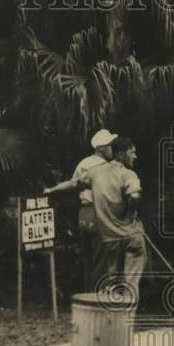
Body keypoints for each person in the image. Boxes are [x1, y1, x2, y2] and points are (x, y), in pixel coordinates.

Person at [44, 129, 116, 291]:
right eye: (110, 146)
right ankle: (97, 299)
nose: (112, 149)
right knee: (101, 259)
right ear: (102, 148)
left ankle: (87, 298)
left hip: (84, 214)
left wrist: (52, 190)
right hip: (99, 214)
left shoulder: (84, 163)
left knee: (88, 260)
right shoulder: (107, 167)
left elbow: (73, 183)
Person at [83, 136, 148, 301]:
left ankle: (114, 323)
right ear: (120, 155)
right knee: (130, 284)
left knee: (113, 284)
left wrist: (50, 190)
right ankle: (127, 322)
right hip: (130, 235)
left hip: (110, 237)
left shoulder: (95, 172)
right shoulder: (128, 174)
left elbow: (72, 183)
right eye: (132, 152)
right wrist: (131, 207)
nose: (135, 156)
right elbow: (133, 194)